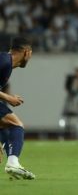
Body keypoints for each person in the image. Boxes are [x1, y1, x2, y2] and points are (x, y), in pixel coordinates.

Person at [0, 37, 35, 179]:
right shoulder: (4, 61)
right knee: (16, 125)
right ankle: (13, 163)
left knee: (8, 127)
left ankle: (13, 164)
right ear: (26, 53)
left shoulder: (6, 63)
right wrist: (8, 98)